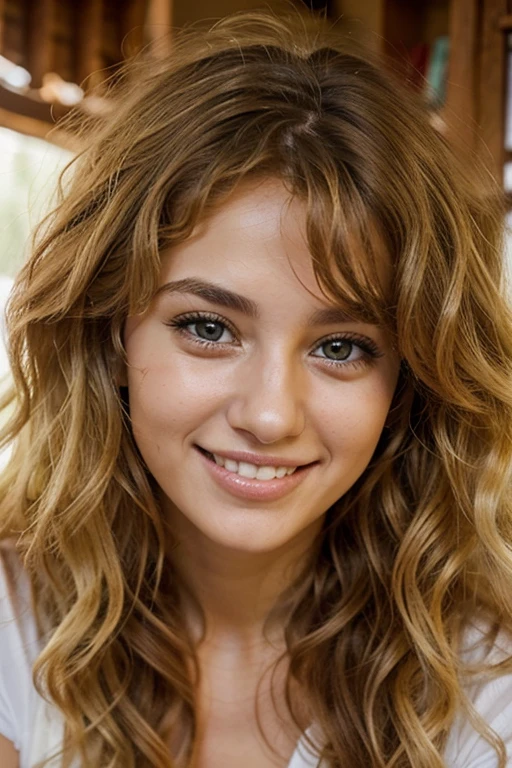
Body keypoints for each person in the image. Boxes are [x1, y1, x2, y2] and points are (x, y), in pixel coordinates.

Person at [1, 8, 512, 768]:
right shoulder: (12, 636)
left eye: (342, 347)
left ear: (409, 379)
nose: (271, 414)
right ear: (110, 330)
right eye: (208, 328)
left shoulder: (485, 684)